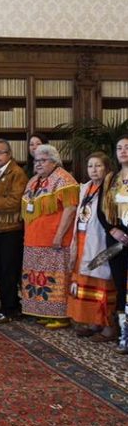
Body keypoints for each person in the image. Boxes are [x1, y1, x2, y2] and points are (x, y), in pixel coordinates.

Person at [21, 144, 79, 329]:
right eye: (36, 160)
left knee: (55, 277)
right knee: (38, 277)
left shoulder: (64, 179)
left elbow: (70, 209)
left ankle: (60, 316)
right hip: (34, 240)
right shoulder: (33, 180)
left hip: (54, 240)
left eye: (43, 160)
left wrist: (59, 235)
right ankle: (44, 312)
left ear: (54, 161)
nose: (38, 164)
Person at [67, 152, 117, 341]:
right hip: (82, 240)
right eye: (90, 166)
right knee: (85, 281)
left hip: (101, 241)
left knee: (101, 282)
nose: (93, 170)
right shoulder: (85, 188)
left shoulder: (111, 188)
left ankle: (108, 326)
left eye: (98, 166)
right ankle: (93, 322)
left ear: (107, 168)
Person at [0, 139, 28, 324]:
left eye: (0, 152)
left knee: (9, 270)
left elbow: (15, 201)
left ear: (9, 154)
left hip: (11, 228)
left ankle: (10, 309)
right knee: (1, 270)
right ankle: (7, 305)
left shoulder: (17, 173)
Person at [98, 134, 128, 354]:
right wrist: (113, 230)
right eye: (119, 148)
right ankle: (123, 335)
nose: (123, 151)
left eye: (127, 147)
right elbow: (101, 211)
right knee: (120, 285)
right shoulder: (111, 179)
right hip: (116, 239)